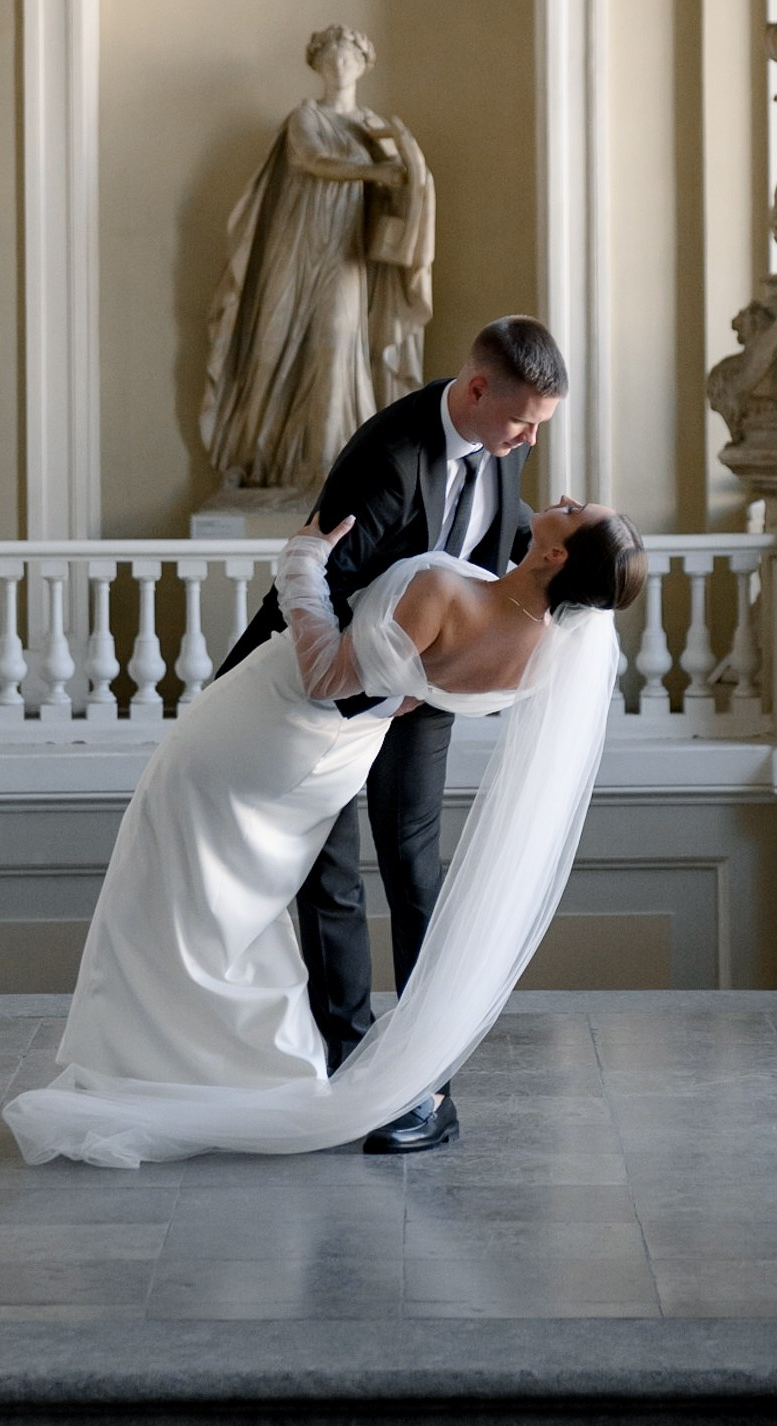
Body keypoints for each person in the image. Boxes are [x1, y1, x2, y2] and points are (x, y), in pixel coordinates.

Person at [3, 498, 645, 1170]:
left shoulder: (444, 592)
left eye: (573, 513)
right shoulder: (537, 655)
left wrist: (301, 567)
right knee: (222, 909)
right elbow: (413, 687)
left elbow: (327, 677)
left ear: (556, 556)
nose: (562, 500)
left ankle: (150, 1071)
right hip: (333, 764)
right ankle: (225, 1071)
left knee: (163, 890)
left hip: (267, 731)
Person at [219, 313, 568, 1154]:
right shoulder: (386, 457)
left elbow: (493, 538)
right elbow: (324, 596)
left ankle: (424, 1069)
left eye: (536, 429)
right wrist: (382, 687)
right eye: (522, 421)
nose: (528, 440)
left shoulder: (507, 440)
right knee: (329, 872)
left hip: (422, 690)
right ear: (478, 388)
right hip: (330, 695)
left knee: (416, 872)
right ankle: (352, 1070)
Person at [198, 24, 433, 502]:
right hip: (296, 247)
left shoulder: (374, 128)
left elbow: (408, 190)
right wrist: (376, 172)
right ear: (317, 65)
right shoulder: (304, 117)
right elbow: (312, 160)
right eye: (329, 57)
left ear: (363, 65)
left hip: (347, 257)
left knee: (337, 343)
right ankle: (258, 459)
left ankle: (330, 469)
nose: (339, 65)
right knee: (273, 344)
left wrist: (411, 183)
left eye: (347, 57)